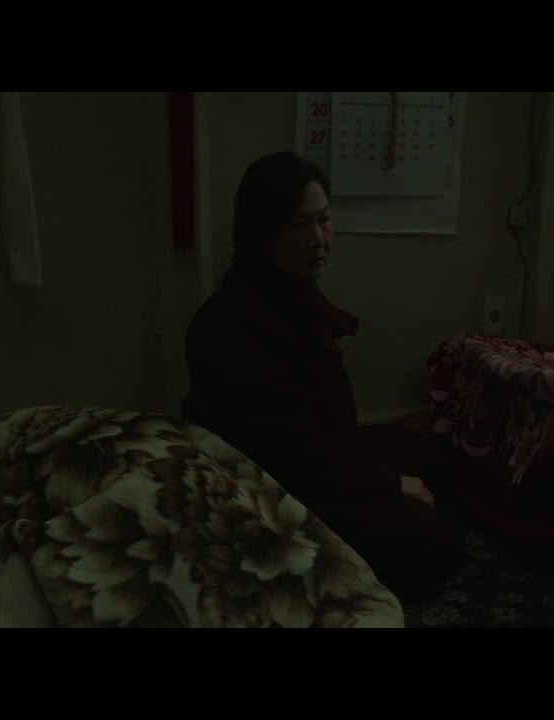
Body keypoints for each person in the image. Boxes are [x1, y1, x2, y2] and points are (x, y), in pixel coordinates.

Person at [181, 152, 460, 602]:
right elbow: (297, 453)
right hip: (277, 494)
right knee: (420, 533)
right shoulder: (235, 323)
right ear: (263, 233)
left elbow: (330, 427)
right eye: (299, 226)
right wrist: (390, 483)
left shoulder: (291, 292)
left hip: (323, 454)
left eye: (325, 220)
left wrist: (386, 471)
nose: (319, 239)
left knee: (429, 452)